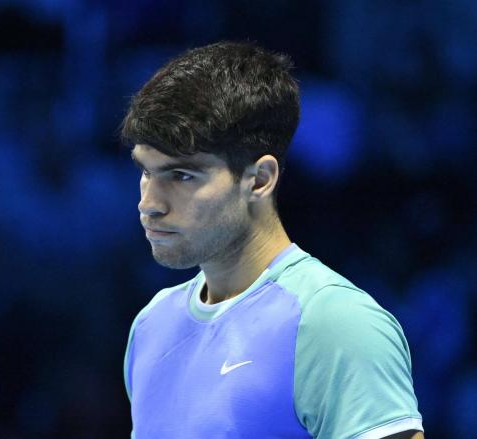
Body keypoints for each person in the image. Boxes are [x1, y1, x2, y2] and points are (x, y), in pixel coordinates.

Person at [120, 42, 424, 439]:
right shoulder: (151, 325)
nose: (149, 203)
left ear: (259, 180)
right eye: (147, 172)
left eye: (182, 176)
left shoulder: (334, 323)